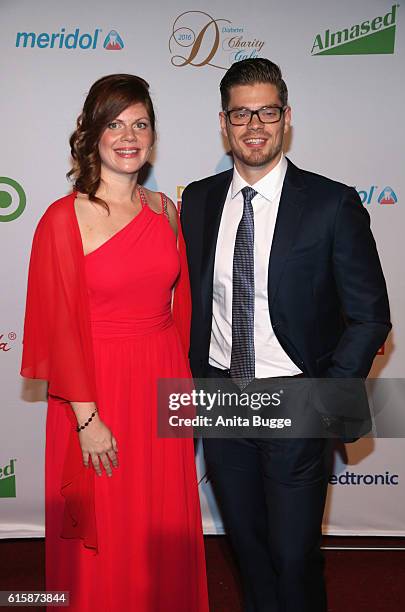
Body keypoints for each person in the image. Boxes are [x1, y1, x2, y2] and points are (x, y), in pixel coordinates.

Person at [180, 58, 391, 612]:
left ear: (286, 117)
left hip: (298, 399)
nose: (255, 124)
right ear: (223, 123)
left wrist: (324, 399)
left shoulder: (331, 203)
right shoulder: (197, 201)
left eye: (267, 111)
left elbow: (371, 315)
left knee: (294, 556)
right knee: (247, 551)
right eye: (241, 113)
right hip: (224, 398)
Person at [21, 74, 209, 612]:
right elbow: (56, 326)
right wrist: (86, 417)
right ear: (92, 134)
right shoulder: (64, 218)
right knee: (106, 535)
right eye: (115, 124)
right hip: (96, 395)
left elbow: (180, 315)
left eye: (140, 124)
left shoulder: (165, 211)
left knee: (161, 523)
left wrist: (184, 397)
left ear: (153, 135)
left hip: (160, 389)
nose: (129, 136)